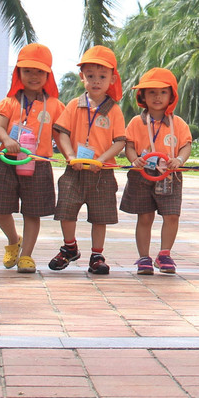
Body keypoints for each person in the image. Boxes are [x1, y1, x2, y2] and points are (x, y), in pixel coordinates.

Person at [50, 46, 127, 274]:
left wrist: (102, 159)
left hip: (101, 172)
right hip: (74, 170)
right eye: (90, 76)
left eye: (102, 77)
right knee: (66, 209)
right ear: (82, 77)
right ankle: (69, 247)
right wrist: (70, 156)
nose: (96, 81)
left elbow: (120, 141)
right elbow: (62, 132)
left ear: (112, 79)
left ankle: (97, 255)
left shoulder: (114, 110)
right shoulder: (74, 105)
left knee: (100, 215)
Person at [0, 44, 63, 274]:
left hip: (38, 164)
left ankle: (27, 255)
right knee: (1, 208)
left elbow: (61, 137)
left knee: (33, 211)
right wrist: (6, 140)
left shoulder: (55, 105)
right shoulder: (9, 101)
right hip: (8, 161)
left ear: (48, 75)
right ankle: (13, 240)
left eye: (40, 72)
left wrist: (71, 157)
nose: (34, 76)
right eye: (28, 70)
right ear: (18, 73)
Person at [121, 67, 192, 275]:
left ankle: (164, 254)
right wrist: (134, 160)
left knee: (171, 216)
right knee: (144, 217)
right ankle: (144, 257)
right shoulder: (136, 122)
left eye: (163, 92)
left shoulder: (177, 123)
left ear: (171, 95)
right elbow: (129, 145)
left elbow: (186, 145)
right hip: (142, 175)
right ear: (142, 95)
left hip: (169, 175)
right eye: (151, 92)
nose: (157, 97)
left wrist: (179, 159)